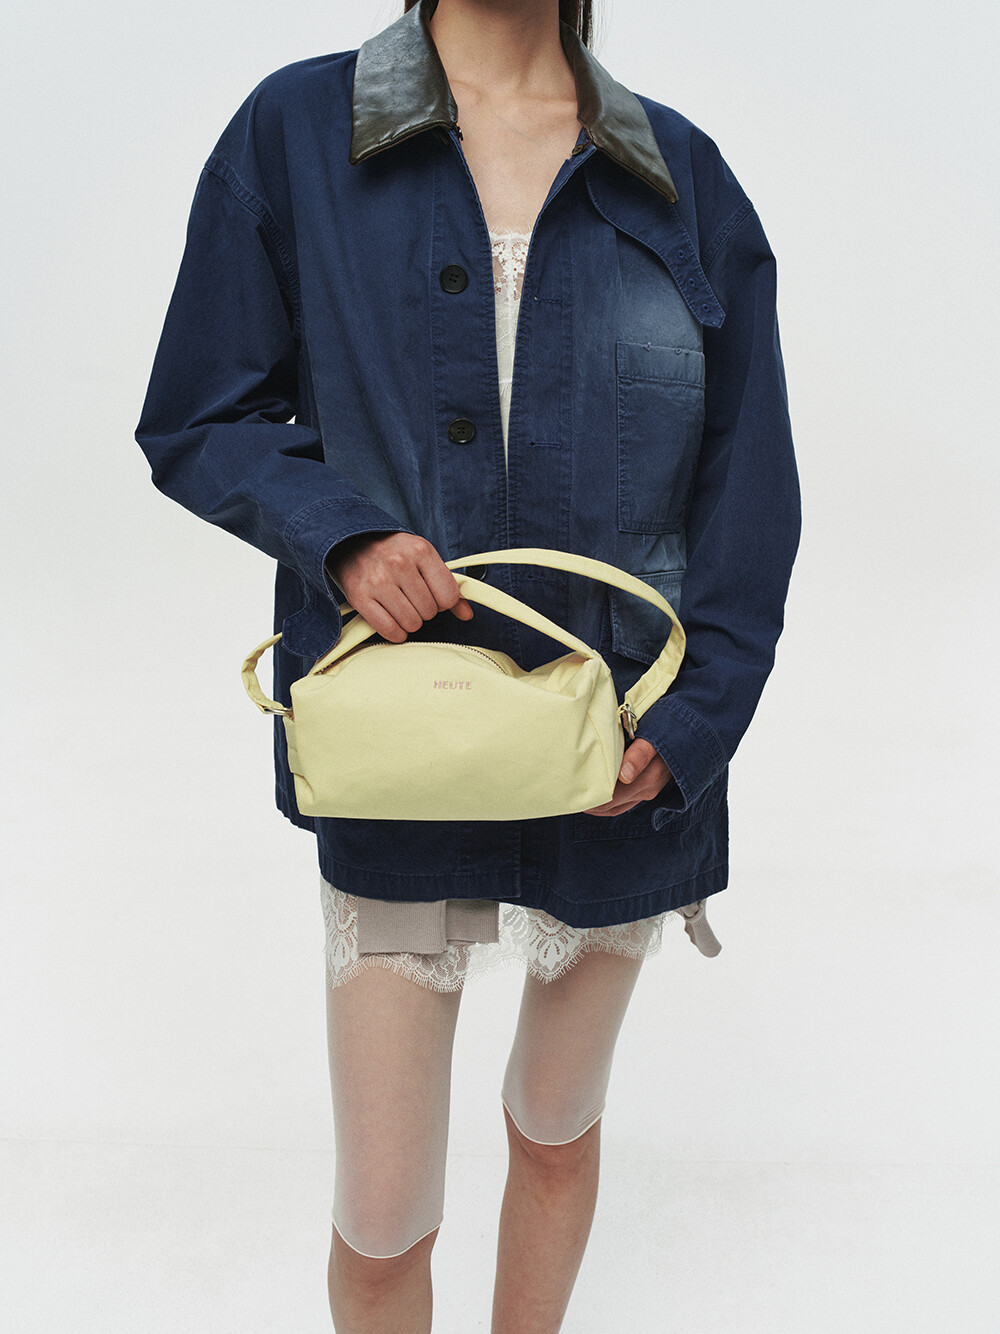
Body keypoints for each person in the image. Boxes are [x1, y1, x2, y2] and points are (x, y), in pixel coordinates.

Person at [134, 0, 801, 1328]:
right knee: (384, 1218)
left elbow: (750, 486)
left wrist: (699, 718)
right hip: (403, 747)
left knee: (555, 1125)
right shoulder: (297, 133)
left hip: (621, 752)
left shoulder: (680, 174)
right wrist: (342, 538)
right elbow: (199, 411)